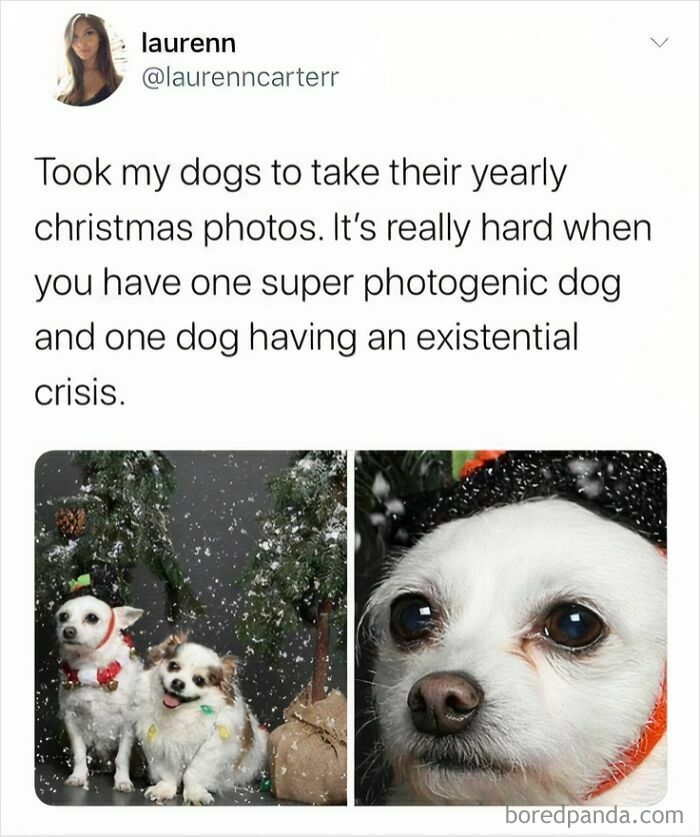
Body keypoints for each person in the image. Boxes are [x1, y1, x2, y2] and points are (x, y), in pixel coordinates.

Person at [58, 14, 122, 106]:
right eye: (75, 37)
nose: (81, 43)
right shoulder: (65, 83)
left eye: (88, 33)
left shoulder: (118, 82)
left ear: (100, 36)